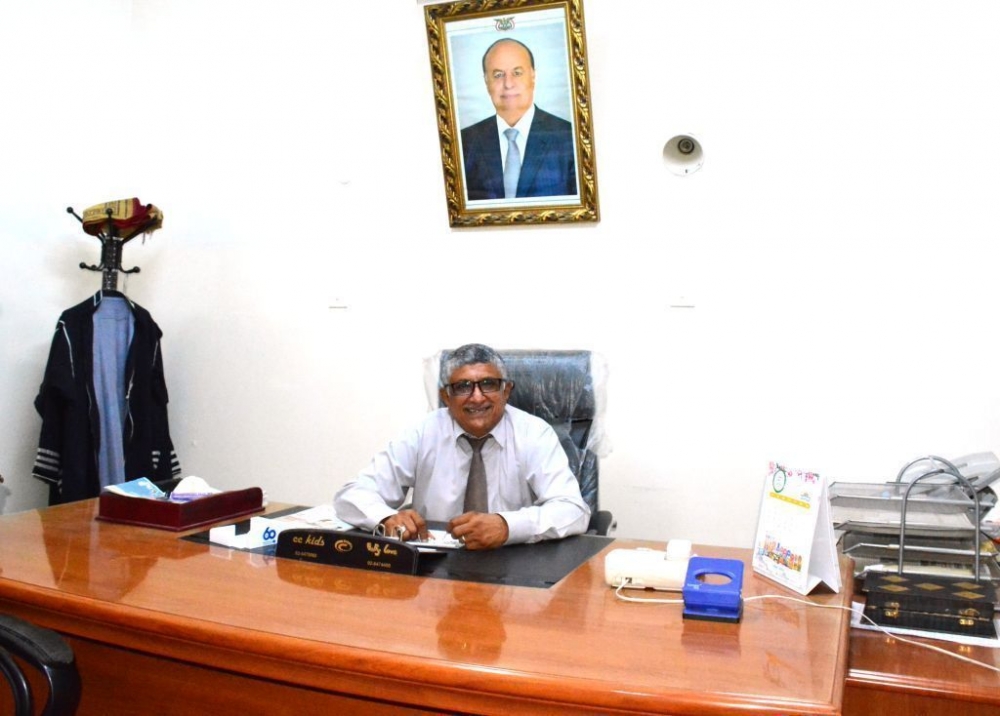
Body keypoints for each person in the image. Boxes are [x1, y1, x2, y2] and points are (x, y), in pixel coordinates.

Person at [334, 344, 590, 550]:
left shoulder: (534, 434)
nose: (477, 397)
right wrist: (385, 518)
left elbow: (573, 510)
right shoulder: (424, 432)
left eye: (488, 384)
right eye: (463, 387)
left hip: (514, 564)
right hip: (433, 567)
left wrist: (507, 526)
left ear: (506, 391)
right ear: (446, 396)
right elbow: (352, 494)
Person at [460, 38, 577, 201]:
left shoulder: (569, 137)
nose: (508, 84)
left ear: (533, 76)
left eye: (517, 73)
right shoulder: (464, 142)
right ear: (486, 82)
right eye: (498, 75)